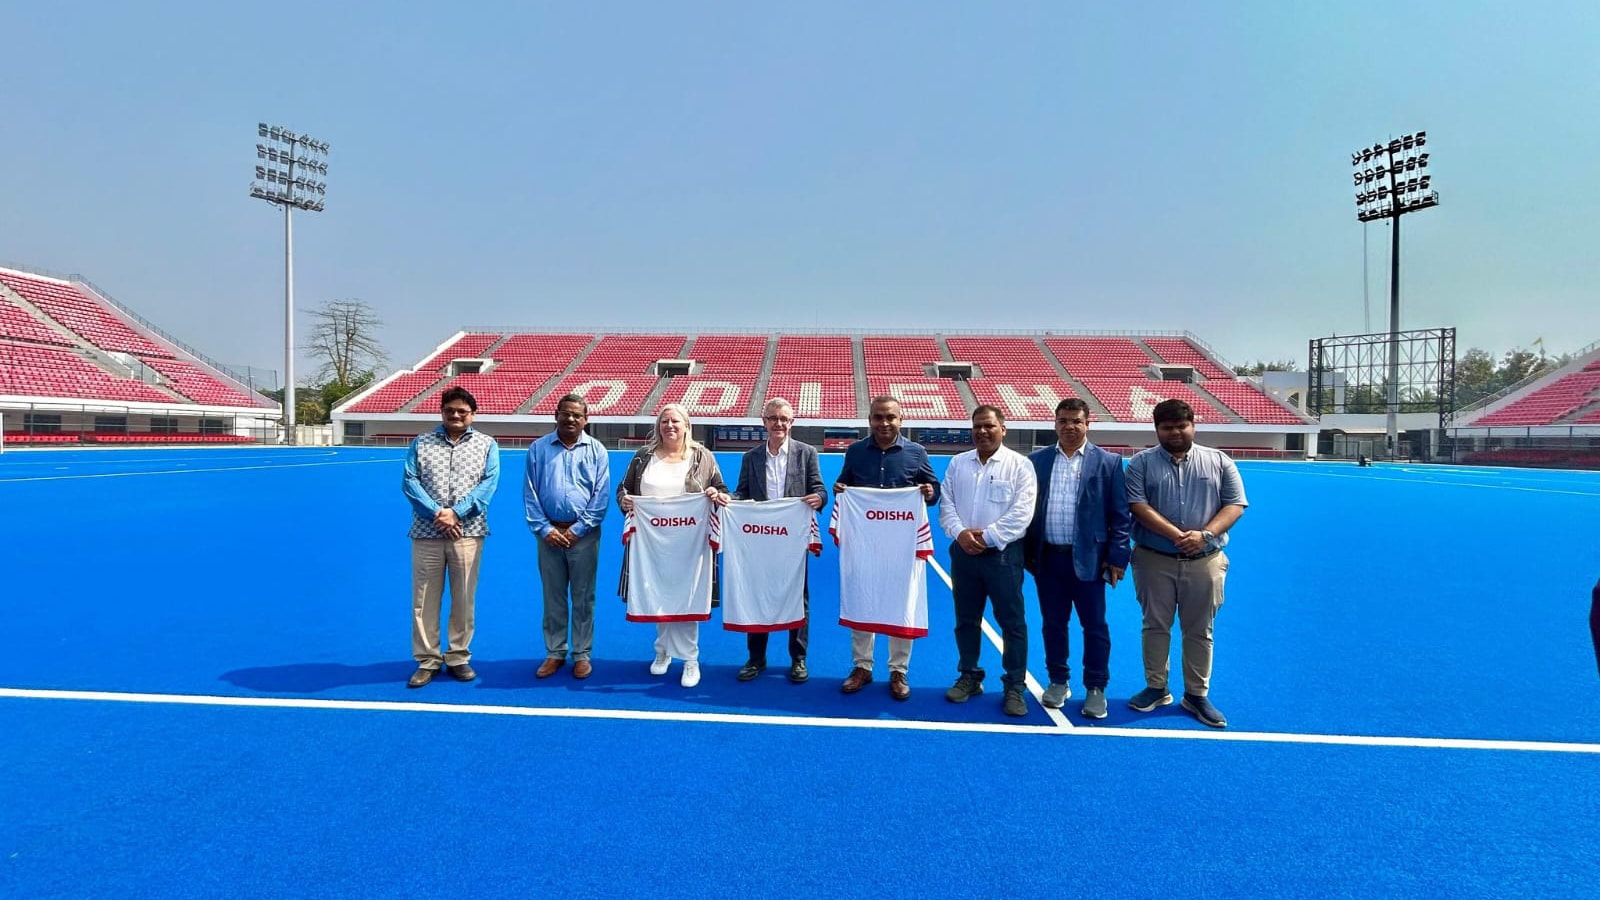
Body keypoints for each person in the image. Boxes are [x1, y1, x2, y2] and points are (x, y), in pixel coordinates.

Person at [1124, 398, 1247, 728]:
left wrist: (1204, 535)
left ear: (1193, 425)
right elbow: (1137, 504)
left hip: (1204, 560)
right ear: (1157, 430)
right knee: (1154, 625)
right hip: (1154, 560)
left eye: (1182, 426)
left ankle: (1196, 694)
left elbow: (1235, 505)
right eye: (1167, 427)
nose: (1175, 432)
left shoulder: (1219, 461)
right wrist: (1178, 534)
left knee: (1199, 630)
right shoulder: (1140, 464)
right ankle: (1156, 687)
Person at [1023, 398, 1133, 719]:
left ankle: (1096, 687)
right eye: (1063, 421)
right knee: (1053, 625)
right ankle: (1058, 680)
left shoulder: (1108, 462)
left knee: (1094, 626)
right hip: (1048, 560)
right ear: (1054, 424)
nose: (1069, 427)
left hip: (1090, 561)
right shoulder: (1037, 461)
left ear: (1088, 423)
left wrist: (1117, 558)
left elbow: (1120, 515)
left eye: (1076, 421)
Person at [833, 395, 941, 701]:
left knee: (900, 603)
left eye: (890, 417)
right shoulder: (855, 452)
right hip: (864, 546)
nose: (884, 423)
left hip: (901, 548)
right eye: (878, 417)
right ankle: (862, 667)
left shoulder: (916, 452)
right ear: (870, 420)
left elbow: (934, 493)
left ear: (900, 420)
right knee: (861, 599)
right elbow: (844, 485)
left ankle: (898, 670)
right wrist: (839, 489)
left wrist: (930, 492)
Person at [616, 403, 730, 688]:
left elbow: (723, 490)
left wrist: (716, 493)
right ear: (658, 426)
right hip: (651, 542)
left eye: (676, 422)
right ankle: (663, 651)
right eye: (665, 421)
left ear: (686, 425)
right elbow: (623, 489)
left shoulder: (702, 457)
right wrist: (625, 501)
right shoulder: (643, 457)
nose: (670, 426)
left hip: (689, 543)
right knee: (657, 593)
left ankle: (690, 659)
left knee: (688, 596)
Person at [938, 405, 1037, 717]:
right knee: (966, 619)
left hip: (1003, 557)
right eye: (977, 426)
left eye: (989, 426)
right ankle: (969, 674)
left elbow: (1022, 514)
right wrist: (961, 534)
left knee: (1012, 622)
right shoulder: (958, 463)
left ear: (1002, 429)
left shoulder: (1019, 465)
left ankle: (1014, 685)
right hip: (963, 554)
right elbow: (947, 504)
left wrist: (987, 538)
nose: (982, 431)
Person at [401, 386, 501, 688]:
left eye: (462, 411)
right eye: (450, 410)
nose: (456, 415)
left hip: (468, 533)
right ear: (441, 411)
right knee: (424, 600)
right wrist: (438, 513)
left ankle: (458, 656)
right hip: (426, 532)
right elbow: (410, 481)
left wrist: (457, 513)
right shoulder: (421, 443)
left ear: (473, 414)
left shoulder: (487, 444)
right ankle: (428, 660)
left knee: (464, 598)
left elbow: (489, 483)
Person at [731, 398, 826, 683]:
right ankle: (756, 658)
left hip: (792, 541)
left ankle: (798, 658)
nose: (778, 423)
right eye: (773, 418)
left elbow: (819, 488)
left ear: (791, 422)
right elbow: (742, 492)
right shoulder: (751, 457)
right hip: (759, 541)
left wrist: (818, 498)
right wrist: (728, 500)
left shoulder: (806, 453)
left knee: (798, 597)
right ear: (764, 422)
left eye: (784, 419)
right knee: (757, 594)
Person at [524, 393, 610, 681]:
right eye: (566, 413)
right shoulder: (538, 449)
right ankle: (555, 652)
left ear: (586, 419)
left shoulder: (597, 450)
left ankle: (582, 654)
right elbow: (530, 494)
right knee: (553, 596)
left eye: (577, 414)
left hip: (584, 536)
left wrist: (578, 529)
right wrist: (546, 529)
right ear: (556, 415)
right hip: (549, 535)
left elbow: (601, 496)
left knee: (584, 597)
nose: (571, 419)